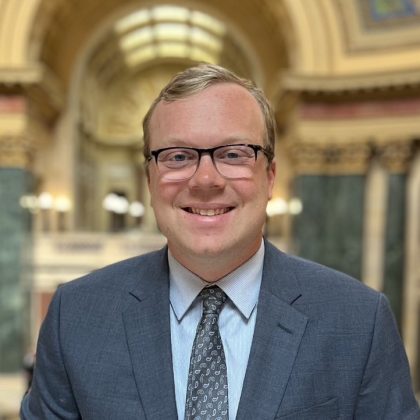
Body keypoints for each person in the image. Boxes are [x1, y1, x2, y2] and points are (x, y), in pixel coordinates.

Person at [21, 64, 419, 419]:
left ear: (270, 177)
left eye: (232, 154)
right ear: (149, 180)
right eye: (178, 156)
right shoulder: (76, 316)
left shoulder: (358, 322)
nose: (206, 180)